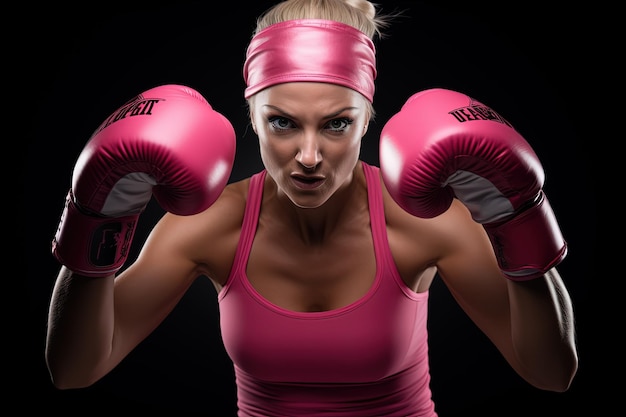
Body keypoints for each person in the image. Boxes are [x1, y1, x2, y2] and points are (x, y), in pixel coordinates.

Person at [44, 0, 579, 415]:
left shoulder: (421, 223)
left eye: (336, 124)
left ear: (368, 119)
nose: (307, 157)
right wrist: (99, 218)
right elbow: (74, 371)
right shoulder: (212, 226)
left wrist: (517, 215)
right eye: (282, 122)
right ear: (251, 118)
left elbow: (552, 374)